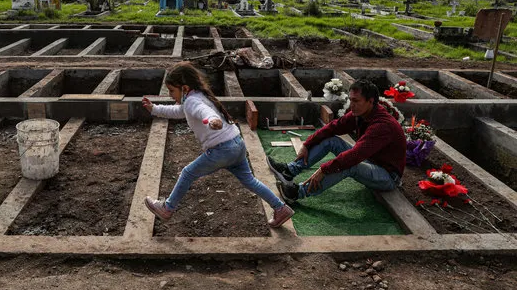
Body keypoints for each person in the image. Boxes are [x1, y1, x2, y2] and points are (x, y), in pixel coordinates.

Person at [142, 62, 294, 228]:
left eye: (172, 91)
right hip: (237, 143)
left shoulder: (193, 101)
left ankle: (167, 208)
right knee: (250, 180)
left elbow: (204, 112)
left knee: (187, 173)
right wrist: (154, 108)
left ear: (184, 88)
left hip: (222, 150)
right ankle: (280, 208)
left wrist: (213, 120)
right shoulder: (198, 96)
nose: (171, 95)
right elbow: (177, 111)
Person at [267, 79, 406, 204]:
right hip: (370, 162)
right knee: (331, 140)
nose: (352, 105)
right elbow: (332, 128)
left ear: (370, 101)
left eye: (356, 101)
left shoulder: (381, 126)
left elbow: (355, 156)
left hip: (387, 176)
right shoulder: (362, 113)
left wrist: (324, 169)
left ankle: (297, 193)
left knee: (349, 164)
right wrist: (306, 144)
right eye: (350, 100)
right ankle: (289, 171)